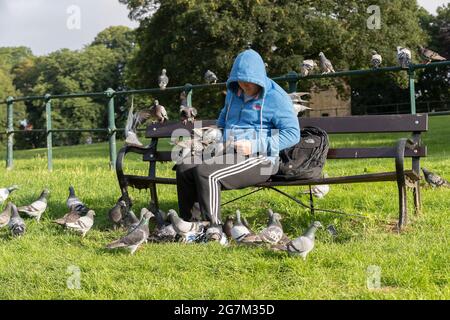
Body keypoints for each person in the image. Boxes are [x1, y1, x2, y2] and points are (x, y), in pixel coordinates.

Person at [175, 49, 300, 238]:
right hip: (227, 151)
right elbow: (224, 120)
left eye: (249, 83)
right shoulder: (234, 92)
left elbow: (293, 134)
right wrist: (214, 135)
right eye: (240, 81)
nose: (244, 86)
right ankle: (191, 228)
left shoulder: (277, 98)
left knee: (207, 173)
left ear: (259, 78)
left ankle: (214, 230)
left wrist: (254, 145)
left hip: (262, 159)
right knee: (184, 167)